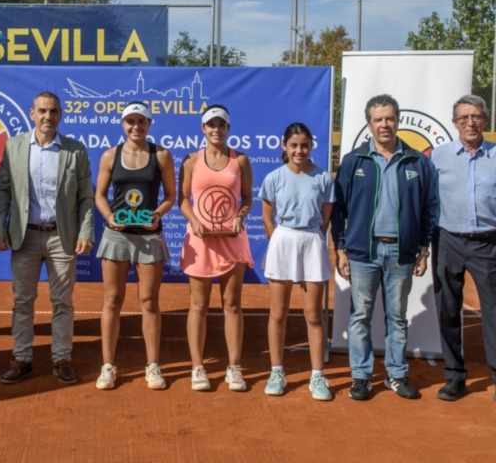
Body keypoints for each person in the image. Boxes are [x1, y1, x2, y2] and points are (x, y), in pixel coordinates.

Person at [332, 94, 436, 401]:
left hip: (401, 254)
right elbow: (338, 209)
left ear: (398, 120)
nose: (384, 124)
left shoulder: (417, 161)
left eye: (389, 118)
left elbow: (429, 207)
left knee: (397, 317)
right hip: (363, 253)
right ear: (369, 124)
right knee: (360, 316)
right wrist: (340, 248)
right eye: (378, 119)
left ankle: (396, 374)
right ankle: (362, 376)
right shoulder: (354, 161)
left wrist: (424, 249)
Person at [0, 92, 95, 385]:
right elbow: (4, 190)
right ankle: (22, 359)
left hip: (61, 237)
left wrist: (86, 231)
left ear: (60, 114)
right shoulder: (14, 146)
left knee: (62, 302)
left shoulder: (75, 150)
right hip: (24, 237)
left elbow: (85, 197)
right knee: (22, 301)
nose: (47, 116)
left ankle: (61, 359)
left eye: (53, 111)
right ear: (32, 113)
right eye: (42, 111)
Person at [94, 101, 176, 390]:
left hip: (149, 237)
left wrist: (157, 215)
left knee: (149, 302)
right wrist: (109, 216)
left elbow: (170, 196)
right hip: (116, 236)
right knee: (112, 301)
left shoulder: (162, 155)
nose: (136, 126)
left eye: (141, 121)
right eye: (130, 121)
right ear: (123, 124)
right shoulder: (109, 155)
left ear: (149, 123)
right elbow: (100, 195)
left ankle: (153, 366)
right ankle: (108, 366)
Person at [178, 105, 254, 392]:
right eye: (211, 125)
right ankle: (198, 366)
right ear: (203, 128)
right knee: (198, 306)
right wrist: (194, 221)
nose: (216, 130)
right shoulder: (190, 160)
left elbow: (247, 198)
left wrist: (240, 217)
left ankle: (234, 367)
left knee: (231, 305)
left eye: (221, 125)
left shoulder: (241, 160)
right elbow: (183, 200)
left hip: (232, 240)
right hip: (200, 241)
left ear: (228, 128)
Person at [260, 123, 335, 401]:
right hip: (282, 242)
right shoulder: (274, 177)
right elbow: (267, 217)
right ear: (284, 146)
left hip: (312, 241)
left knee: (313, 315)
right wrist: (280, 241)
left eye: (304, 145)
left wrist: (311, 238)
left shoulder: (324, 178)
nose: (299, 150)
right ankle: (276, 372)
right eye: (293, 145)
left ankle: (317, 375)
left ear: (311, 146)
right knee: (278, 313)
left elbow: (325, 218)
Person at [430, 94, 496, 402]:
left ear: (486, 120)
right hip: (448, 241)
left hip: (489, 243)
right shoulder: (438, 157)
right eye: (464, 118)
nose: (470, 122)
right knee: (448, 309)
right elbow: (428, 200)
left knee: (493, 311)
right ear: (454, 123)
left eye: (476, 116)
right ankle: (455, 377)